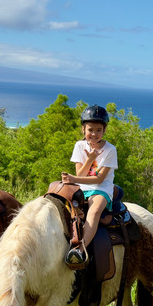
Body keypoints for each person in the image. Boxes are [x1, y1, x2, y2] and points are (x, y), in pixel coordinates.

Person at [60, 105, 118, 267]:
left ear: (104, 131)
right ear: (83, 129)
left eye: (99, 130)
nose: (94, 134)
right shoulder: (80, 146)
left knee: (94, 210)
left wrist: (72, 178)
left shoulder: (110, 150)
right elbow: (82, 173)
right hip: (81, 187)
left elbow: (99, 179)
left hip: (101, 189)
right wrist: (90, 158)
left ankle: (79, 248)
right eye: (90, 129)